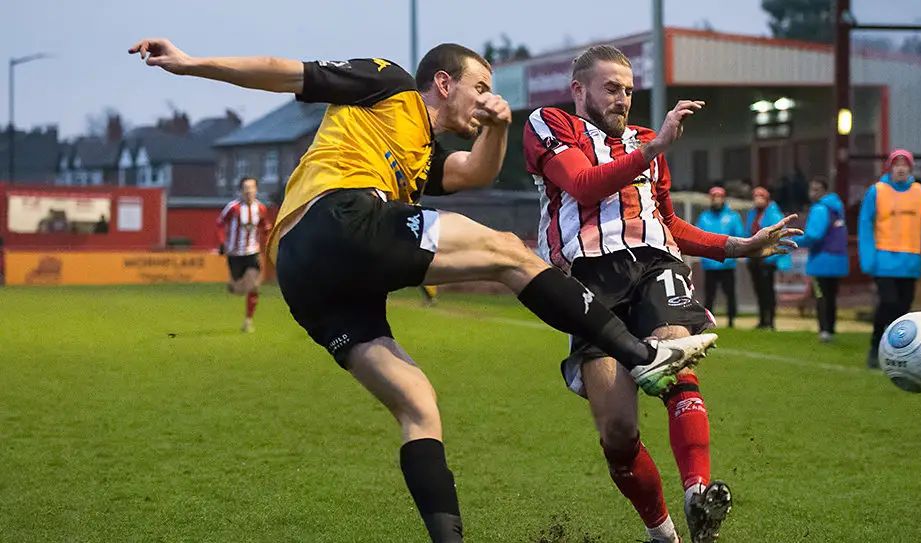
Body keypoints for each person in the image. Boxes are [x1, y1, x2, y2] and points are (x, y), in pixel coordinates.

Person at [131, 38, 718, 543]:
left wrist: (500, 124)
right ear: (443, 82)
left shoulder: (420, 153)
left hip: (309, 278)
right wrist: (191, 63)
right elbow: (286, 70)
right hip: (334, 217)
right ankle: (644, 358)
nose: (487, 95)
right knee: (511, 252)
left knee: (418, 404)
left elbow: (474, 174)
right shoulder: (387, 84)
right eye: (480, 85)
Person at [523, 45, 799, 543]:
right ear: (579, 90)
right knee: (618, 431)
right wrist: (653, 149)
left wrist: (741, 246)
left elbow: (668, 223)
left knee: (673, 351)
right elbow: (583, 187)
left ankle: (698, 494)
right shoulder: (549, 124)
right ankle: (663, 533)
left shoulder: (646, 141)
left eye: (629, 90)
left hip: (653, 262)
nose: (623, 99)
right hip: (586, 279)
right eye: (612, 88)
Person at [858, 149, 921, 369]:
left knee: (903, 309)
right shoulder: (877, 192)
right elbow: (865, 224)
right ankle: (875, 346)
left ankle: (896, 352)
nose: (900, 169)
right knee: (888, 302)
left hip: (910, 261)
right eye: (896, 164)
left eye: (905, 165)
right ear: (890, 168)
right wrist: (869, 257)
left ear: (910, 169)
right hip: (884, 259)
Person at [794, 176, 848, 342]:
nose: (812, 193)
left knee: (821, 296)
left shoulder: (819, 209)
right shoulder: (837, 207)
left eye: (816, 189)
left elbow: (814, 235)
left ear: (824, 191)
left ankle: (824, 330)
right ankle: (831, 328)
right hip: (838, 258)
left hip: (822, 259)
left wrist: (793, 240)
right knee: (831, 296)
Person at [217, 176, 272, 333]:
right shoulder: (233, 208)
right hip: (235, 254)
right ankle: (234, 287)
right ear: (240, 191)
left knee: (254, 286)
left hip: (252, 252)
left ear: (256, 190)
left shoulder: (261, 208)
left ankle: (248, 321)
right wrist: (222, 243)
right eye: (246, 188)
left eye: (252, 188)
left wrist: (268, 238)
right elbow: (220, 223)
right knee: (239, 289)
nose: (249, 191)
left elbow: (264, 225)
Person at [696, 186, 745, 327]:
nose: (716, 199)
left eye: (719, 196)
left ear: (723, 198)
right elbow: (698, 236)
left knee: (730, 293)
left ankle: (731, 320)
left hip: (727, 262)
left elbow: (739, 235)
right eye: (714, 197)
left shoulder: (733, 217)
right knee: (709, 295)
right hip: (710, 262)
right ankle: (708, 321)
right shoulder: (704, 217)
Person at [745, 187, 790, 330]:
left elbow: (778, 236)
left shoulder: (774, 214)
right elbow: (747, 233)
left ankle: (770, 321)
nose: (757, 199)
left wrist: (772, 257)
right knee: (758, 290)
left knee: (768, 290)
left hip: (767, 257)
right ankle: (762, 320)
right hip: (754, 257)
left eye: (761, 196)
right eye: (755, 196)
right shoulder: (752, 214)